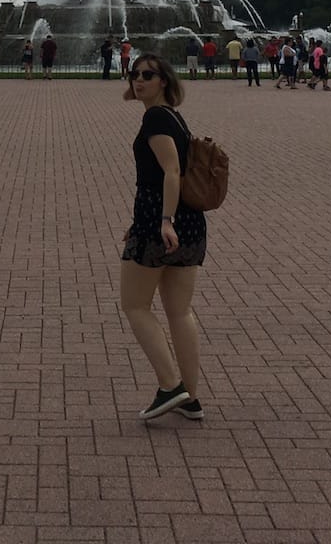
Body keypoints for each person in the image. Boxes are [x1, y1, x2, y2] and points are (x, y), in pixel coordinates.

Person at [119, 53, 205, 421]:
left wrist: (162, 221)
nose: (139, 80)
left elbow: (171, 172)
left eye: (148, 75)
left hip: (163, 224)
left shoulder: (155, 117)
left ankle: (170, 385)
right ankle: (190, 397)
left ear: (164, 80)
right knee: (179, 311)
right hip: (190, 224)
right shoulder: (174, 117)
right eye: (134, 74)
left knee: (135, 305)